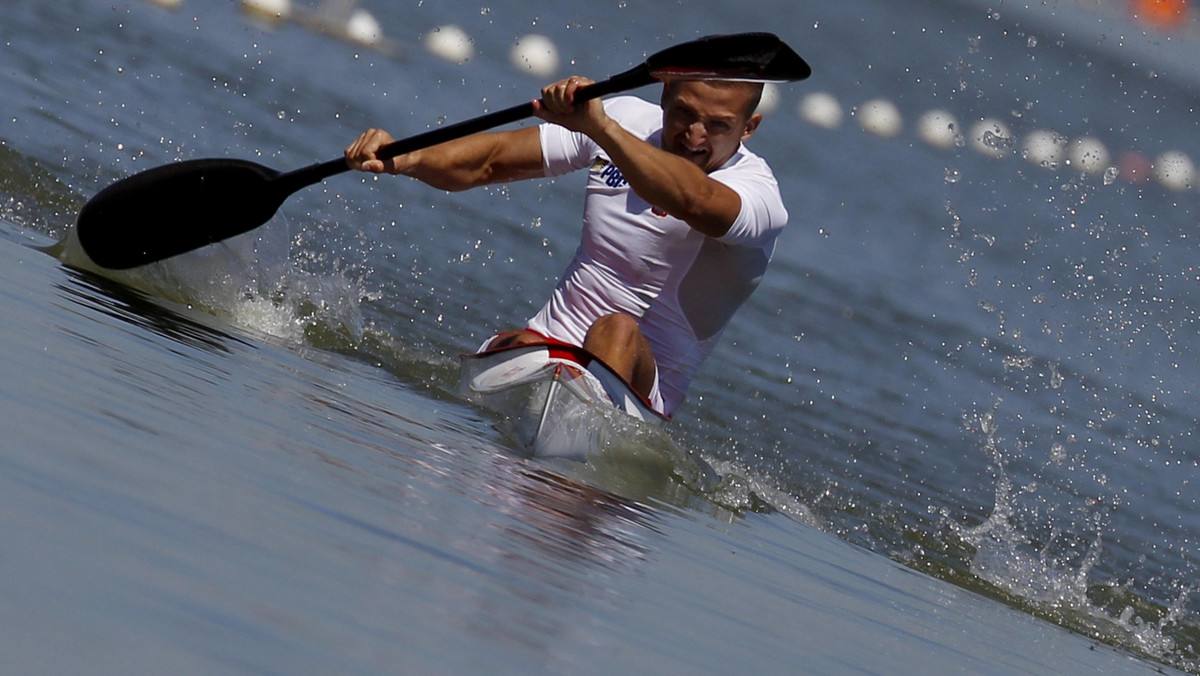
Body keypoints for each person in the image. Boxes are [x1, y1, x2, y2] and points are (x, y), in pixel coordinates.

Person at [345, 75, 787, 417]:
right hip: (544, 349)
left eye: (718, 126)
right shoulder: (627, 120)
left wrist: (599, 127)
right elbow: (489, 161)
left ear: (750, 127)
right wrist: (406, 158)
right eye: (684, 114)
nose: (694, 135)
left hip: (637, 393)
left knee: (616, 329)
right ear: (665, 94)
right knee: (513, 340)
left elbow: (691, 198)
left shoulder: (758, 195)